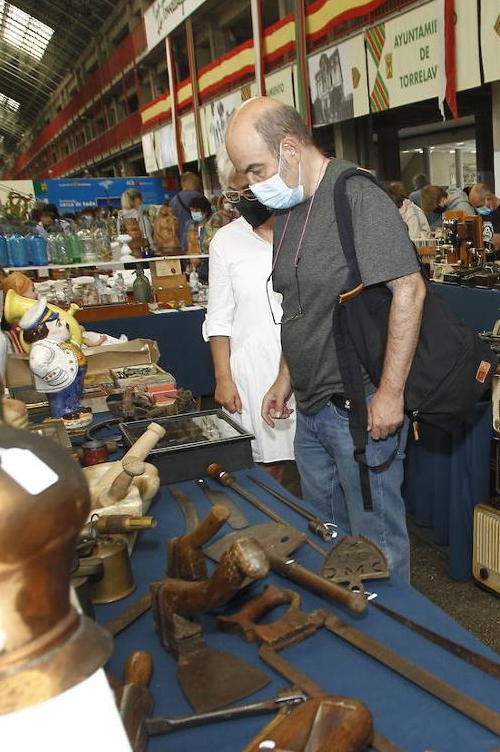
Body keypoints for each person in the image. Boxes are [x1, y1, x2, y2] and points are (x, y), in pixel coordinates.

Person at [225, 97, 426, 581]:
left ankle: (393, 639)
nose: (251, 185)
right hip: (312, 411)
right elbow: (301, 303)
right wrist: (284, 378)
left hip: (358, 407)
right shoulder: (291, 205)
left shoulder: (355, 196)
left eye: (256, 169)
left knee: (375, 545)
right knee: (325, 534)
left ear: (290, 148)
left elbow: (409, 290)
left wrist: (391, 394)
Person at [204, 178, 296, 481]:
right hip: (254, 372)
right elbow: (218, 317)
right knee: (268, 469)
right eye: (236, 192)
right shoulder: (226, 241)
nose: (245, 197)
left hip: (307, 363)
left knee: (319, 467)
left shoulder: (303, 228)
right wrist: (223, 379)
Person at [468, 183, 500, 261]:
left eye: (478, 206)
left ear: (488, 199)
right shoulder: (484, 213)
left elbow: (495, 245)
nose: (477, 210)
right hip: (485, 262)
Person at [170, 172, 206, 252]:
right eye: (197, 181)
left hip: (180, 241)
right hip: (196, 240)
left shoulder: (173, 200)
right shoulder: (197, 196)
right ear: (192, 181)